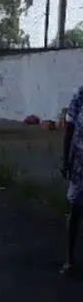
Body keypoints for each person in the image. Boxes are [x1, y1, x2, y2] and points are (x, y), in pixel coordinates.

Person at [62, 86, 83, 275]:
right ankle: (70, 260)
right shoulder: (81, 95)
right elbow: (69, 129)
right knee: (75, 209)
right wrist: (65, 161)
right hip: (80, 163)